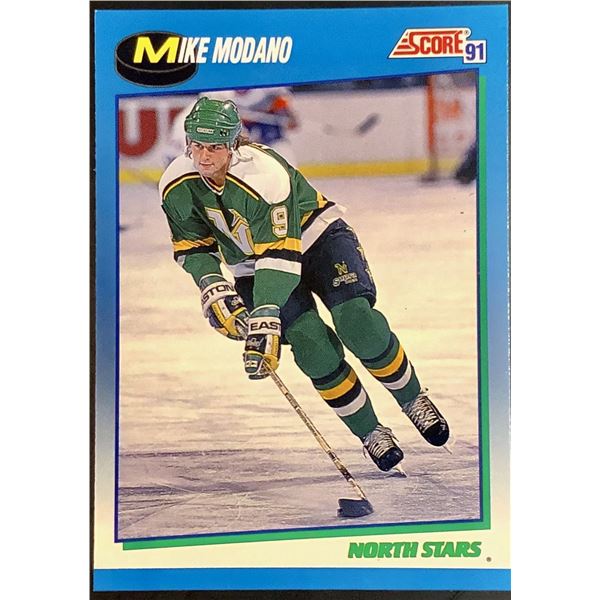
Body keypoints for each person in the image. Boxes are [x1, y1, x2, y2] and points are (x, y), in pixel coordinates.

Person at [158, 97, 450, 472]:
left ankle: (411, 398)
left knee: (357, 322)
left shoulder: (264, 174)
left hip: (317, 240)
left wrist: (265, 313)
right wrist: (212, 284)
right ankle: (370, 431)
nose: (203, 157)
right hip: (252, 267)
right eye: (196, 145)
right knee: (313, 349)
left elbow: (280, 255)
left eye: (214, 147)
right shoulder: (176, 183)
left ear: (232, 143)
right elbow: (192, 246)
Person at [163, 87, 298, 167]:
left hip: (262, 126)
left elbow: (289, 117)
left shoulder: (269, 84)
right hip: (229, 127)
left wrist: (286, 115)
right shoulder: (201, 114)